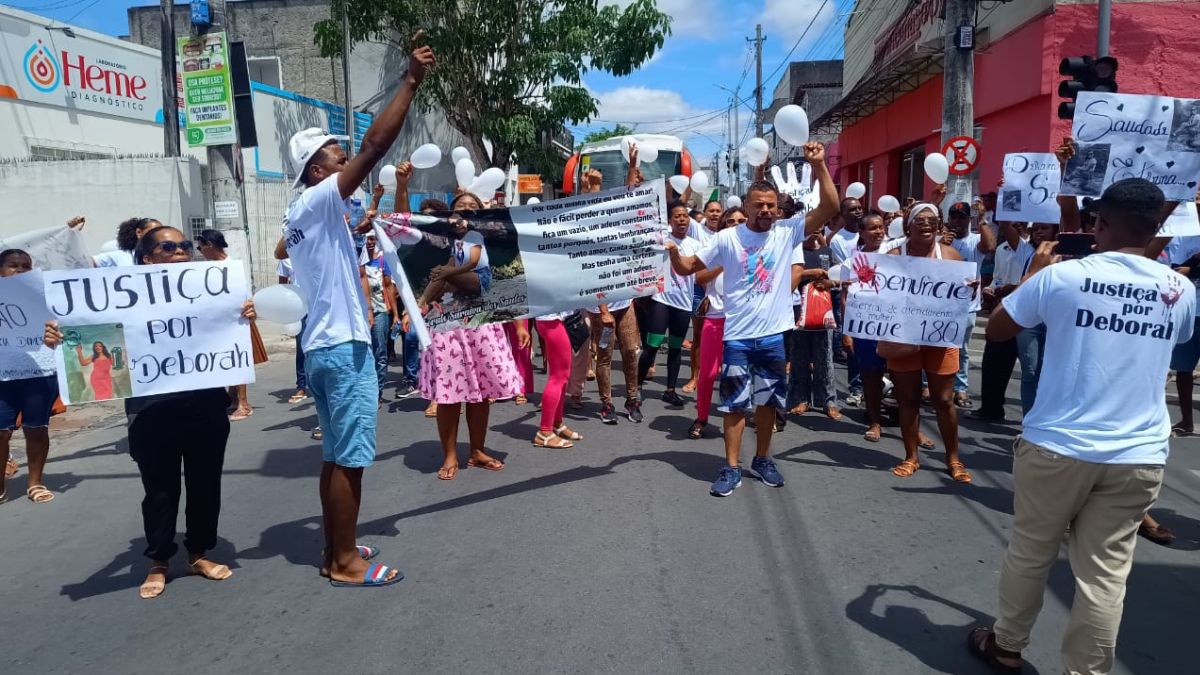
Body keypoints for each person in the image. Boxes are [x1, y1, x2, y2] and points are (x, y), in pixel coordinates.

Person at [968, 178, 1195, 675]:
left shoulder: (1063, 276)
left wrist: (1033, 273)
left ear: (1103, 223)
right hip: (1137, 454)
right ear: (1157, 227)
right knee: (1106, 575)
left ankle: (1006, 645)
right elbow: (1173, 342)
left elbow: (1002, 328)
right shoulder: (1181, 289)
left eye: (1094, 221)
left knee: (1032, 552)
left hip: (1059, 447)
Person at [282, 33, 433, 587]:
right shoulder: (320, 198)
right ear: (317, 172)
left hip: (322, 345)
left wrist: (357, 228)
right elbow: (375, 146)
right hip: (342, 349)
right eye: (334, 155)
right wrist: (410, 82)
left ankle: (336, 546)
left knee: (336, 455)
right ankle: (345, 563)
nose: (345, 157)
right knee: (350, 458)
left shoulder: (302, 212)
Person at [47, 225, 254, 597]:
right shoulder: (122, 301)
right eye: (168, 247)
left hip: (204, 404)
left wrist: (245, 314)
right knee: (159, 491)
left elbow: (229, 331)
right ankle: (159, 560)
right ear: (146, 258)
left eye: (184, 246)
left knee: (206, 483)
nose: (180, 252)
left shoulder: (210, 291)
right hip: (151, 411)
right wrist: (60, 337)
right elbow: (93, 348)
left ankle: (198, 553)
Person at [665, 140, 839, 497]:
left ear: (778, 210)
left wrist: (819, 165)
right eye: (758, 205)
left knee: (768, 403)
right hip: (738, 340)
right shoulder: (728, 237)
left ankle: (762, 459)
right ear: (745, 206)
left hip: (774, 338)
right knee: (733, 406)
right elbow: (687, 268)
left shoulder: (788, 231)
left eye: (770, 206)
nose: (764, 211)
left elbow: (831, 206)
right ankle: (731, 467)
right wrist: (670, 252)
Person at [885, 203, 973, 483]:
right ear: (908, 226)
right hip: (904, 336)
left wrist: (971, 288)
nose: (926, 225)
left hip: (940, 336)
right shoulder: (893, 257)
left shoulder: (952, 257)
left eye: (931, 220)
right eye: (919, 220)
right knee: (908, 399)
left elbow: (967, 298)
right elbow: (880, 296)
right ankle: (911, 456)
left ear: (939, 225)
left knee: (945, 399)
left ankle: (953, 458)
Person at [973, 220, 1051, 421]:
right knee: (994, 362)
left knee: (1032, 372)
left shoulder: (1054, 255)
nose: (1040, 232)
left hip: (1037, 320)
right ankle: (991, 408)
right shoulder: (1016, 249)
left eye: (1045, 228)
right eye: (1038, 229)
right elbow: (998, 277)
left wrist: (1012, 288)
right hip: (1010, 310)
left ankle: (1033, 418)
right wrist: (992, 290)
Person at [0, 249, 59, 504]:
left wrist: (55, 335)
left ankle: (35, 482)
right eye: (13, 265)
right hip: (2, 375)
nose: (20, 270)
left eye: (26, 266)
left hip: (39, 373)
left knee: (36, 428)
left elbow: (65, 326)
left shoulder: (43, 297)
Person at [196, 229, 269, 420]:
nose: (200, 251)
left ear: (209, 245)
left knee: (237, 360)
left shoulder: (230, 267)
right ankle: (232, 399)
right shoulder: (207, 268)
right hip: (218, 322)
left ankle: (243, 404)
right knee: (227, 361)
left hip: (237, 319)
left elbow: (242, 295)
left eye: (200, 246)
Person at [687, 206, 745, 439]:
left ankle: (738, 417)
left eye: (740, 220)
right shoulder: (715, 248)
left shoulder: (756, 249)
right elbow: (699, 278)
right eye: (729, 221)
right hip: (715, 319)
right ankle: (701, 417)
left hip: (743, 322)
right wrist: (723, 263)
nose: (735, 224)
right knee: (708, 374)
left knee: (740, 373)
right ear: (722, 226)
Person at [638, 198, 700, 408]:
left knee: (675, 349)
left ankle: (670, 390)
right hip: (661, 300)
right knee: (652, 346)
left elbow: (702, 274)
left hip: (683, 305)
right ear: (670, 221)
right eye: (677, 217)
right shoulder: (661, 240)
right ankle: (635, 388)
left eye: (685, 216)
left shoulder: (695, 245)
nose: (682, 220)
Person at [839, 214, 889, 442]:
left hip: (896, 328)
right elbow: (845, 298)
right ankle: (874, 421)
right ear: (861, 232)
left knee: (905, 377)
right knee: (871, 376)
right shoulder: (851, 264)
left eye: (881, 227)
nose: (878, 232)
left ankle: (914, 430)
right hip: (866, 329)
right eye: (872, 228)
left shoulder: (897, 255)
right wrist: (847, 332)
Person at [944, 200, 997, 408]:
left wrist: (981, 219)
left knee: (962, 350)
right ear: (949, 219)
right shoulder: (942, 240)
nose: (957, 221)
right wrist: (942, 244)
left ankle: (960, 388)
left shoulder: (975, 240)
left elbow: (990, 246)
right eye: (954, 217)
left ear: (968, 219)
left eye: (962, 217)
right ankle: (928, 385)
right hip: (941, 306)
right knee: (936, 346)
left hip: (967, 306)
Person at [788, 231, 841, 420]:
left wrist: (829, 282)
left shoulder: (828, 251)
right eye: (810, 231)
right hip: (798, 311)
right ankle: (801, 399)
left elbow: (840, 276)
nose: (814, 234)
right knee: (799, 357)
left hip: (822, 312)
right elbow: (786, 274)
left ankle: (828, 402)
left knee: (825, 359)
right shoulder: (795, 251)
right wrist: (809, 273)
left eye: (818, 230)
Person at [682, 199, 725, 395]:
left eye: (718, 211)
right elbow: (680, 204)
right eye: (711, 211)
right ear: (705, 213)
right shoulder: (698, 230)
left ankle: (723, 375)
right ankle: (695, 377)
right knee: (698, 336)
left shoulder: (729, 233)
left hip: (725, 290)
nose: (715, 214)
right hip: (701, 288)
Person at [533, 312, 583, 448]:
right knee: (558, 377)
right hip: (551, 320)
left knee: (562, 375)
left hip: (554, 318)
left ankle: (557, 423)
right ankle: (545, 432)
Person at [360, 232, 398, 402]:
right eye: (366, 238)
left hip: (380, 311)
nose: (369, 242)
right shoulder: (355, 261)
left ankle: (377, 393)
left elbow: (389, 287)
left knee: (379, 352)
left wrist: (396, 314)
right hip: (359, 314)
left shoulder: (382, 261)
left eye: (372, 239)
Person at [94, 217, 161, 268]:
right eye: (154, 231)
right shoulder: (121, 256)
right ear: (139, 232)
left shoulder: (164, 256)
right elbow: (88, 262)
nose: (159, 236)